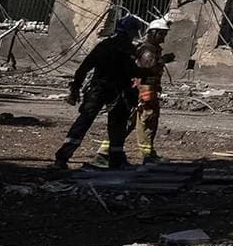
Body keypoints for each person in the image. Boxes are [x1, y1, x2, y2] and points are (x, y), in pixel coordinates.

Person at [54, 14, 146, 170]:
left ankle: (63, 157)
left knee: (84, 121)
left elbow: (84, 67)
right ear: (131, 32)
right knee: (116, 125)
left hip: (98, 89)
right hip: (116, 92)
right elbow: (133, 71)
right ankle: (115, 160)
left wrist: (75, 88)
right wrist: (151, 69)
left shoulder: (104, 45)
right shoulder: (128, 49)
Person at [128, 18, 174, 163]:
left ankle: (106, 150)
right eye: (161, 34)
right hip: (145, 88)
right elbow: (145, 71)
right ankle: (148, 154)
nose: (163, 38)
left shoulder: (152, 49)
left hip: (147, 87)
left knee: (132, 120)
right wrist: (162, 61)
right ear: (153, 33)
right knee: (147, 119)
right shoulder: (148, 51)